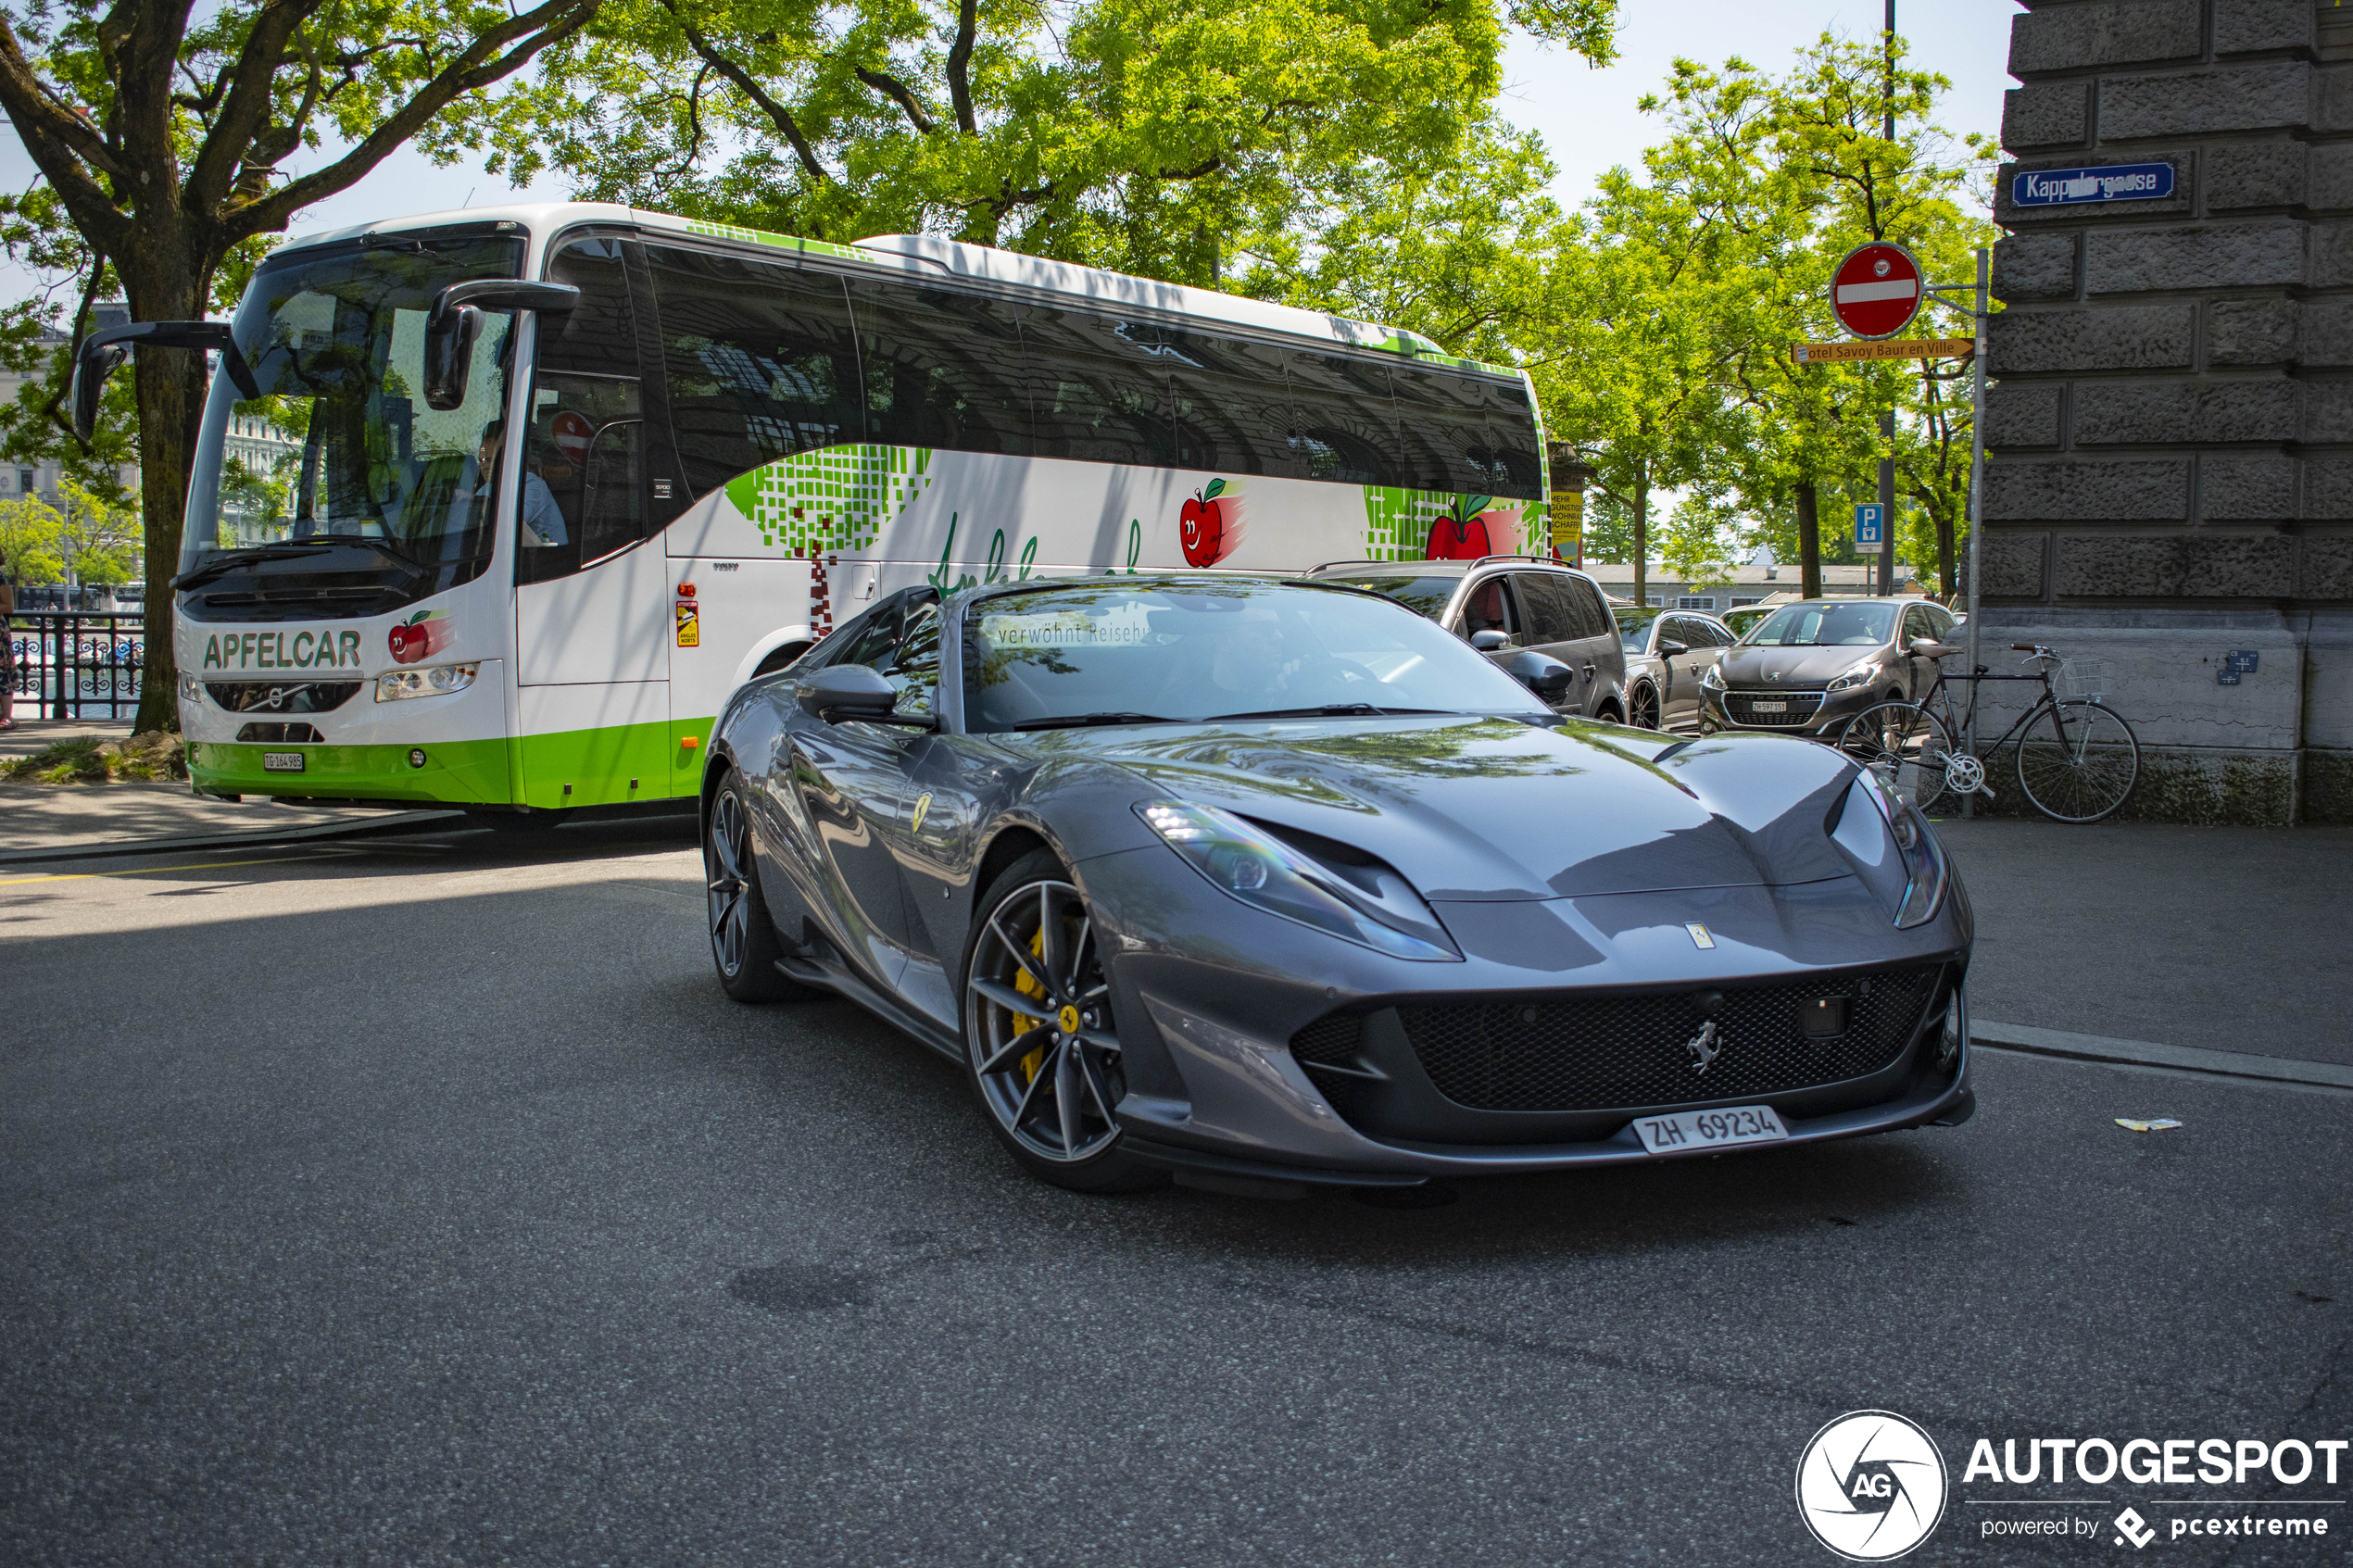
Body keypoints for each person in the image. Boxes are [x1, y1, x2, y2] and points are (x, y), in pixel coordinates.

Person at [475, 420, 569, 547]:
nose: (484, 466)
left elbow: (507, 526)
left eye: (490, 459)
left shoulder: (531, 485)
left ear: (506, 458)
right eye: (482, 460)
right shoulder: (488, 487)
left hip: (550, 561)